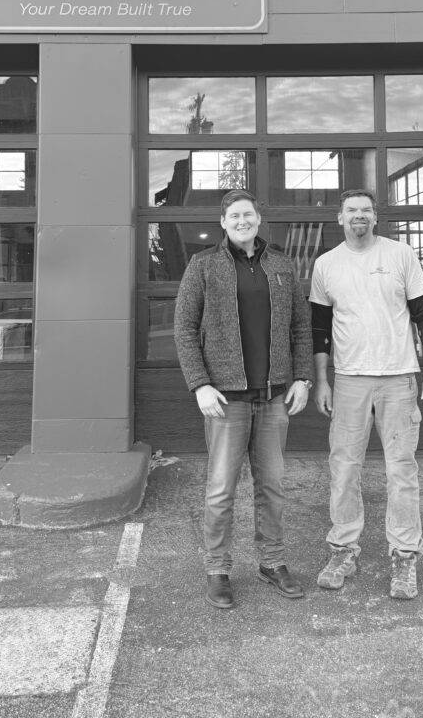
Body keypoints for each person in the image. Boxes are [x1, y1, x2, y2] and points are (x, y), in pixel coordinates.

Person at [174, 190, 313, 609]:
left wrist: (302, 377)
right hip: (225, 401)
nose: (242, 220)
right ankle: (218, 570)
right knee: (220, 491)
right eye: (234, 215)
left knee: (272, 488)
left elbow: (301, 327)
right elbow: (183, 328)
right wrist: (199, 384)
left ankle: (272, 563)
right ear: (223, 222)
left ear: (258, 219)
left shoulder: (281, 266)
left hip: (272, 397)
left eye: (248, 214)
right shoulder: (204, 265)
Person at [309, 189, 423, 600]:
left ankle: (404, 556)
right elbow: (320, 330)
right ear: (339, 218)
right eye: (351, 210)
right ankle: (343, 550)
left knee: (400, 470)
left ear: (375, 217)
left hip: (399, 378)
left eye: (366, 210)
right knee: (344, 468)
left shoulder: (400, 255)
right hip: (349, 381)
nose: (359, 216)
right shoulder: (326, 265)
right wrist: (323, 380)